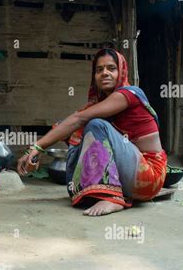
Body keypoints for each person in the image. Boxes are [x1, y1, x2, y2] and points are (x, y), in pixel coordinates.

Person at [17, 48, 167, 216]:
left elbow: (80, 118)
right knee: (70, 128)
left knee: (95, 125)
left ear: (122, 71)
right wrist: (36, 151)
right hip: (130, 175)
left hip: (148, 176)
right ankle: (84, 187)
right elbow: (72, 121)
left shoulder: (128, 94)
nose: (104, 73)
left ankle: (111, 197)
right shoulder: (101, 103)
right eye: (99, 70)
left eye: (111, 68)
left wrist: (37, 146)